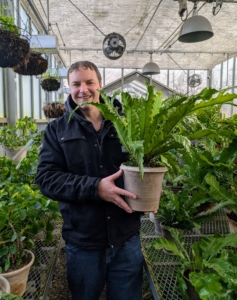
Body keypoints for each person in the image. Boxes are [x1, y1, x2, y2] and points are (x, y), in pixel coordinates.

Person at [36, 61, 145, 300]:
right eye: (76, 84)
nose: (83, 89)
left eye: (89, 82)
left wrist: (150, 195)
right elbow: (46, 179)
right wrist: (96, 188)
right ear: (69, 87)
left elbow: (147, 164)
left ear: (100, 85)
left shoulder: (126, 123)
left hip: (126, 236)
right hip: (83, 241)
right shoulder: (57, 130)